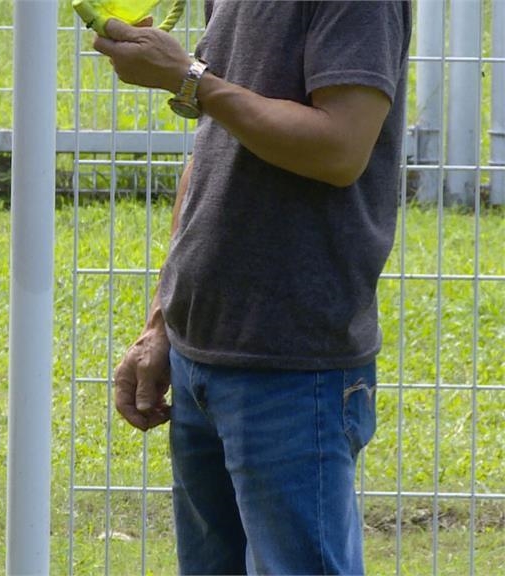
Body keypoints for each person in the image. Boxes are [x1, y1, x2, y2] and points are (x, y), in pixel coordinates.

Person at [94, 2, 411, 574]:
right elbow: (213, 146)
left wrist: (189, 78)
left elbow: (340, 148)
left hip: (292, 363)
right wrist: (161, 322)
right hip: (198, 351)